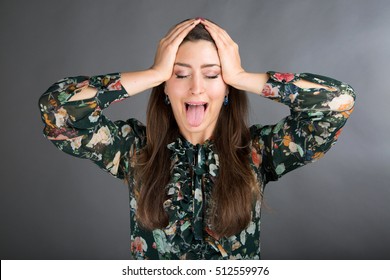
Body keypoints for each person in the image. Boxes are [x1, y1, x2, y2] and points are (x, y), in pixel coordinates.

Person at [38, 18, 355, 260]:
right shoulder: (133, 148)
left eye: (212, 74)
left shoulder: (259, 151)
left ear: (227, 86)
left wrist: (242, 77)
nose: (196, 88)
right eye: (180, 73)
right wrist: (153, 73)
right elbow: (59, 110)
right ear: (165, 85)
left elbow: (338, 101)